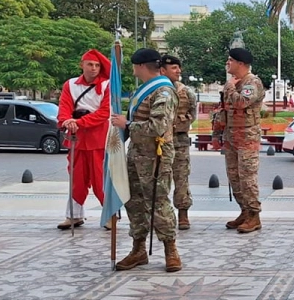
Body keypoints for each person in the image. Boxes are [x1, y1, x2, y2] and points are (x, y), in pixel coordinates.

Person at [111, 48, 181, 271]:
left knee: (158, 202)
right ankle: (138, 249)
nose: (132, 69)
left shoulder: (163, 92)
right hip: (136, 154)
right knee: (135, 202)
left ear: (140, 66)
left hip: (156, 156)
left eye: (134, 66)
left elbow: (158, 127)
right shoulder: (141, 91)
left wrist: (127, 125)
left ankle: (171, 250)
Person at [56, 49, 110, 230]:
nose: (94, 68)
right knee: (76, 177)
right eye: (90, 64)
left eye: (97, 65)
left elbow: (104, 112)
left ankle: (110, 215)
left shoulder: (107, 85)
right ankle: (74, 215)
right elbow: (64, 106)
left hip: (98, 136)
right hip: (76, 136)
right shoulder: (70, 84)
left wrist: (79, 122)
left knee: (100, 179)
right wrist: (66, 121)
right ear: (82, 65)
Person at [222, 48, 266, 234]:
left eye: (231, 60)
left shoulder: (252, 82)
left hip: (247, 136)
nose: (227, 63)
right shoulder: (235, 82)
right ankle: (244, 211)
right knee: (234, 176)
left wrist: (230, 87)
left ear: (240, 63)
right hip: (231, 135)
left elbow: (241, 102)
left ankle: (254, 215)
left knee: (247, 177)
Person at [160, 54, 194, 230]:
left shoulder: (186, 92)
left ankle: (183, 213)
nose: (178, 71)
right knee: (159, 180)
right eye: (174, 68)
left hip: (179, 141)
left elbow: (192, 114)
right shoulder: (154, 90)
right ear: (162, 70)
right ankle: (160, 215)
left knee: (181, 179)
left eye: (179, 67)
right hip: (158, 143)